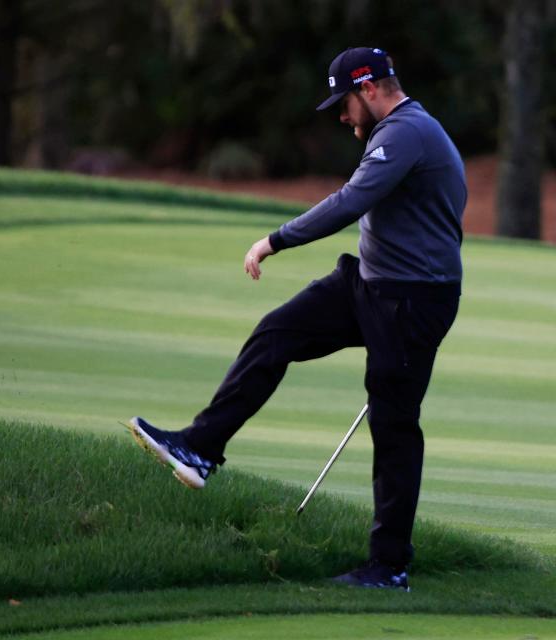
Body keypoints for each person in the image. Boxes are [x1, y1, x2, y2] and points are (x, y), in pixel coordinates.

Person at [128, 47, 466, 591]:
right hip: (372, 283)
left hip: (412, 301)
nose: (341, 115)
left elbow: (349, 203)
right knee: (278, 332)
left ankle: (389, 567)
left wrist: (274, 240)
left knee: (394, 426)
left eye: (344, 102)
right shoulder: (401, 132)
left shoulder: (407, 133)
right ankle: (201, 448)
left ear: (370, 88)